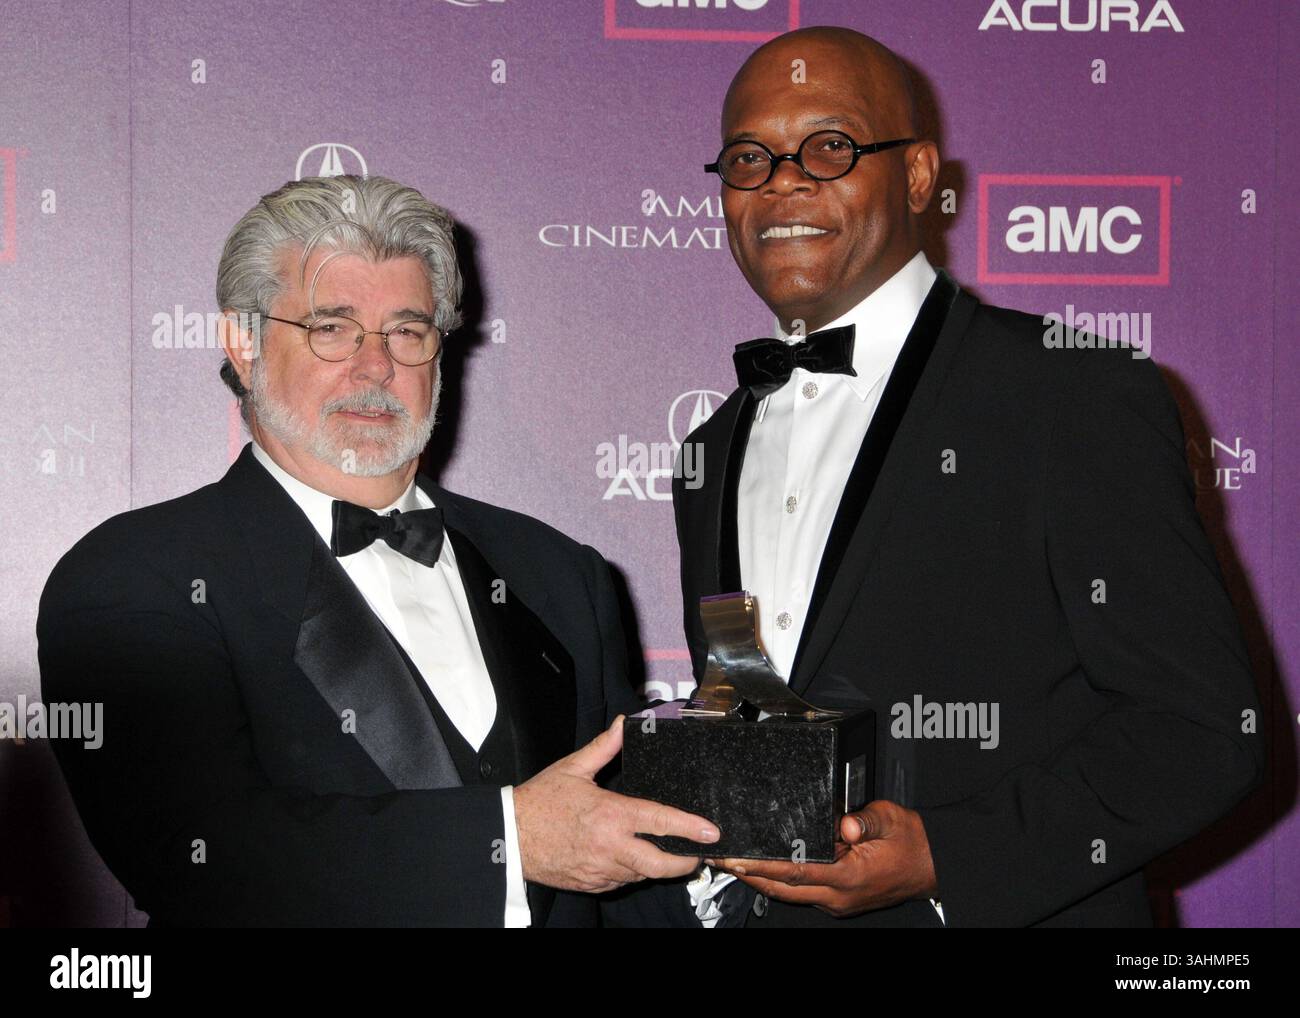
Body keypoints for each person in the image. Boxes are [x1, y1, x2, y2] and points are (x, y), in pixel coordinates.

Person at [669, 27, 1263, 927]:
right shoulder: (708, 450)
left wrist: (949, 855)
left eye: (829, 147)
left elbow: (1204, 733)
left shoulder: (1074, 394)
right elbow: (752, 699)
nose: (782, 181)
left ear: (917, 177)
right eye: (749, 158)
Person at [37, 174, 717, 927]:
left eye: (407, 331)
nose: (375, 366)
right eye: (331, 327)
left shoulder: (557, 572)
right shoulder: (132, 580)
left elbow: (634, 876)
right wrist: (508, 843)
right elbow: (202, 856)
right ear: (245, 342)